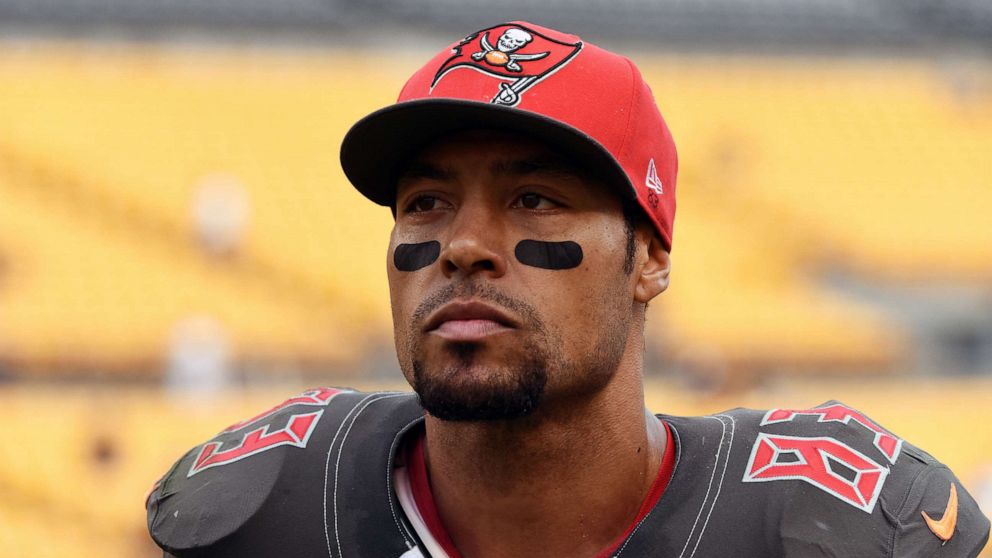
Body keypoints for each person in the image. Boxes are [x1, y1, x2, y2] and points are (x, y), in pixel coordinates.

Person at [146, 21, 990, 557]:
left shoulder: (822, 521)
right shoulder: (267, 507)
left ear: (649, 258)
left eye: (534, 200)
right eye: (426, 204)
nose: (465, 247)